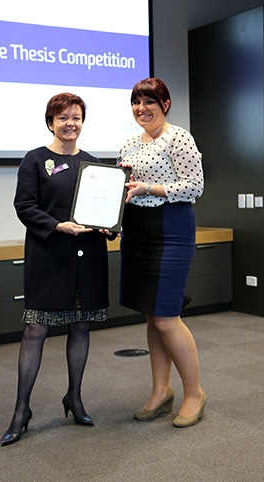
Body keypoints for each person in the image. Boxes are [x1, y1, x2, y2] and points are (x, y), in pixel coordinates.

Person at [1, 92, 115, 446]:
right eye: (63, 117)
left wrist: (112, 225)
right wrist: (57, 225)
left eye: (76, 117)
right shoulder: (35, 160)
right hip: (50, 254)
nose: (70, 123)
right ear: (51, 121)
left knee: (80, 326)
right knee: (35, 329)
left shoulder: (96, 165)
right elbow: (25, 206)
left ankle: (75, 397)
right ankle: (21, 411)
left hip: (87, 256)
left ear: (83, 122)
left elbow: (107, 210)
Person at [118, 78, 206, 428]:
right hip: (137, 232)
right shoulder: (128, 144)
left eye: (149, 101)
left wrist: (150, 187)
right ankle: (160, 391)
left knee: (167, 317)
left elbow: (195, 184)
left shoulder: (178, 137)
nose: (142, 108)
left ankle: (195, 393)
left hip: (171, 229)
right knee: (151, 314)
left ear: (165, 104)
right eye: (136, 102)